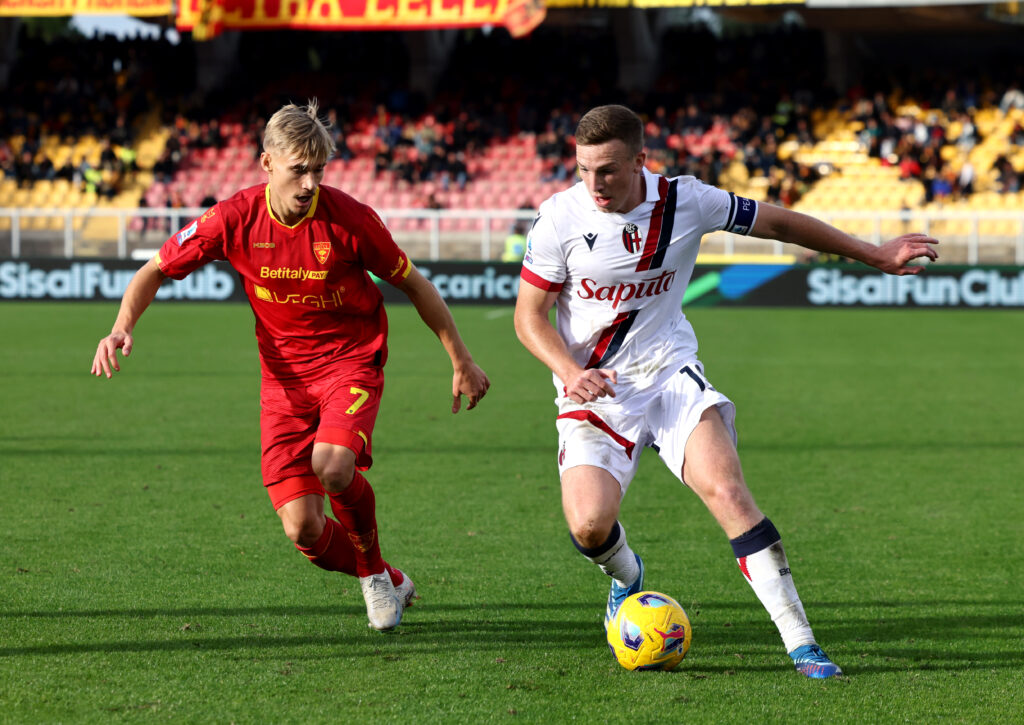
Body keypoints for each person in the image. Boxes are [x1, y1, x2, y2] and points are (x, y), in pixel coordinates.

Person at [513, 104, 939, 679]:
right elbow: (529, 318)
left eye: (609, 169)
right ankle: (627, 577)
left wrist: (873, 252)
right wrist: (569, 370)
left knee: (729, 492)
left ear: (641, 160)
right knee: (589, 527)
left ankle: (802, 642)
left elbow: (781, 223)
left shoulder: (688, 201)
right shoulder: (558, 218)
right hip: (593, 392)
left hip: (669, 374)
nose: (596, 184)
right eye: (586, 170)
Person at [92, 101, 491, 631]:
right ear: (267, 164)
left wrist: (460, 359)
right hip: (283, 386)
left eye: (318, 170)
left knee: (333, 464)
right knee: (303, 529)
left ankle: (373, 578)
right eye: (297, 169)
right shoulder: (232, 219)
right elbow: (154, 270)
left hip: (351, 362)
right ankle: (391, 577)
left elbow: (415, 286)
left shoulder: (350, 220)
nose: (308, 183)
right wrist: (122, 326)